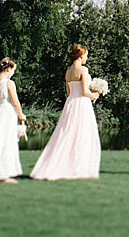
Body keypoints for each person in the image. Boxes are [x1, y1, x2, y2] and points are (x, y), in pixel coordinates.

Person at [30, 44, 101, 180]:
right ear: (81, 56)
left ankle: (61, 163)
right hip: (81, 104)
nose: (87, 57)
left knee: (66, 132)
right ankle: (77, 166)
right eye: (86, 55)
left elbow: (68, 92)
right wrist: (96, 95)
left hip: (70, 103)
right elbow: (85, 92)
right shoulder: (83, 70)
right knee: (81, 133)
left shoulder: (68, 71)